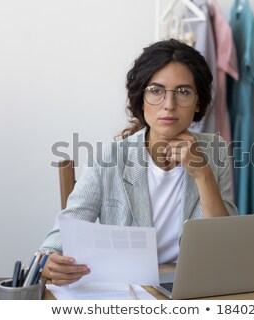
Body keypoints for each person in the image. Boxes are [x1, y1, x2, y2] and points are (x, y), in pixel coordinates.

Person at [38, 39, 238, 286]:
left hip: (192, 287)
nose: (169, 105)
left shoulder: (214, 150)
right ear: (141, 99)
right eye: (156, 91)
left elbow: (226, 248)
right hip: (126, 289)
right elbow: (57, 240)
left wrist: (202, 174)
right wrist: (47, 261)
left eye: (183, 92)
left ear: (198, 101)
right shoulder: (107, 158)